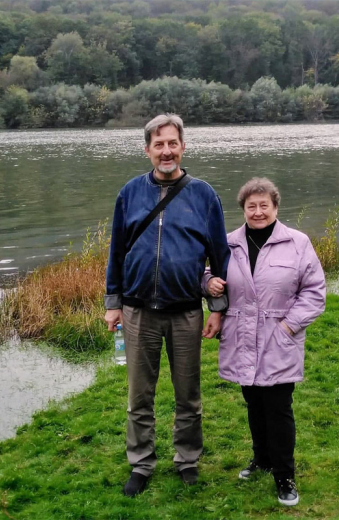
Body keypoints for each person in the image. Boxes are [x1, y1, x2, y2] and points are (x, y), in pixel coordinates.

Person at [104, 114, 230, 497]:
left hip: (186, 312)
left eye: (172, 143)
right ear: (147, 150)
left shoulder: (204, 195)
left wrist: (217, 307)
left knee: (187, 394)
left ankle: (187, 459)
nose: (166, 151)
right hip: (137, 311)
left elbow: (219, 255)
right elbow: (116, 252)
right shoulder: (129, 193)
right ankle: (141, 463)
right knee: (139, 396)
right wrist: (113, 303)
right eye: (159, 145)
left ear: (183, 147)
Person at [203, 177, 326, 507]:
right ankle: (262, 458)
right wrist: (208, 283)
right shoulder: (228, 243)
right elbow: (208, 274)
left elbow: (314, 293)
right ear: (243, 209)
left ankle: (285, 476)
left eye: (264, 206)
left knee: (278, 408)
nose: (258, 212)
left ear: (275, 207)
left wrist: (288, 327)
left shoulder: (298, 243)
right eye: (251, 206)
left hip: (278, 339)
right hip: (242, 338)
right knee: (254, 403)